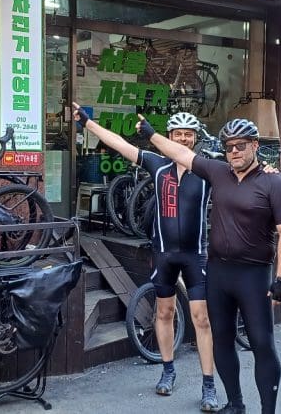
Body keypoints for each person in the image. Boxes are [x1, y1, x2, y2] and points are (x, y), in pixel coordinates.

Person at [136, 115, 281, 414]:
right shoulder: (218, 172)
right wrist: (151, 135)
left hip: (254, 275)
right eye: (228, 147)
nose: (234, 151)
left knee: (262, 344)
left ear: (255, 146)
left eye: (240, 145)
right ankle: (235, 404)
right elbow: (181, 154)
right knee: (222, 342)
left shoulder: (274, 183)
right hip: (219, 273)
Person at [70, 103, 220, 411]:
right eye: (178, 134)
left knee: (202, 320)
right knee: (163, 313)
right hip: (163, 253)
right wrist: (87, 123)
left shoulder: (206, 168)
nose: (183, 139)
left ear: (195, 139)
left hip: (196, 256)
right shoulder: (157, 165)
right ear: (169, 136)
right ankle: (167, 370)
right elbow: (120, 144)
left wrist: (267, 170)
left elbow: (243, 171)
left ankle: (208, 385)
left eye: (189, 135)